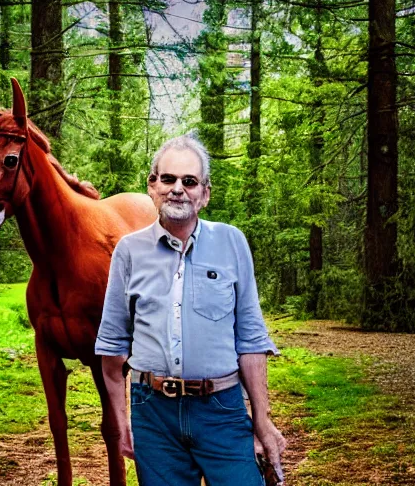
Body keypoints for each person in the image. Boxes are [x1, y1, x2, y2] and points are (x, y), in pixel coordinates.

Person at [95, 135, 286, 486]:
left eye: (189, 181)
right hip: (153, 415)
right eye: (168, 179)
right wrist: (120, 422)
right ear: (152, 186)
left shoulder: (232, 243)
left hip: (222, 412)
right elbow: (112, 348)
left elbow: (250, 339)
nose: (177, 189)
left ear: (205, 193)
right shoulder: (128, 252)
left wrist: (262, 419)